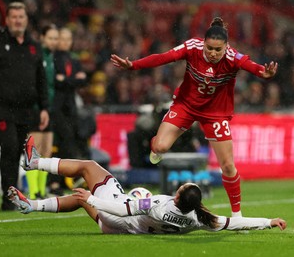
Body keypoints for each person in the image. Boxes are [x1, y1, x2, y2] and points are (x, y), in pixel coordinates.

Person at [110, 17, 278, 217]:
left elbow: (252, 66)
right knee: (160, 147)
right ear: (204, 43)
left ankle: (237, 215)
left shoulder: (233, 57)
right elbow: (163, 57)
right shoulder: (193, 47)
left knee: (228, 165)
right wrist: (134, 65)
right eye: (210, 48)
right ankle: (156, 142)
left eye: (218, 49)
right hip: (186, 106)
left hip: (215, 114)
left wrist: (263, 73)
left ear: (226, 47)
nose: (213, 53)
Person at [7, 135, 287, 234]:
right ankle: (30, 205)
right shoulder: (199, 220)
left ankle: (35, 163)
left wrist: (93, 200)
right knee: (82, 197)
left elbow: (122, 208)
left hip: (116, 218)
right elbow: (232, 223)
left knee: (89, 168)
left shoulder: (156, 204)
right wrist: (267, 221)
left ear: (178, 194)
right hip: (118, 230)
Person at [0, 2, 49, 211]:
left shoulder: (33, 46)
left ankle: (14, 195)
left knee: (19, 152)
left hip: (25, 110)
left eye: (21, 17)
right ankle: (9, 198)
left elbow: (41, 79)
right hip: (1, 108)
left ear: (26, 20)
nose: (17, 21)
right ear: (7, 20)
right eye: (13, 17)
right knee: (10, 148)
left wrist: (44, 107)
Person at [48, 27, 88, 196]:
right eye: (61, 39)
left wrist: (66, 80)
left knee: (67, 145)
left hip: (70, 107)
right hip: (56, 107)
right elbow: (56, 81)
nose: (64, 42)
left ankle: (61, 182)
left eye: (67, 39)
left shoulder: (74, 60)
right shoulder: (53, 58)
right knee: (59, 144)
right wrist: (73, 80)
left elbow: (83, 81)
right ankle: (55, 182)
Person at [26, 24, 59, 200]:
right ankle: (33, 192)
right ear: (42, 38)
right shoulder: (36, 55)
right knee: (35, 150)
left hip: (49, 107)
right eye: (51, 38)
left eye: (56, 38)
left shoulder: (51, 57)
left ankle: (41, 190)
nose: (54, 41)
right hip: (36, 109)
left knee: (46, 150)